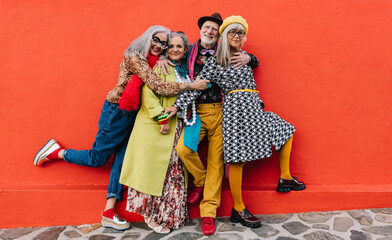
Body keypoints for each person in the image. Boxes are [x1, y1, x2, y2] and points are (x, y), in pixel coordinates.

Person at [33, 26, 209, 231]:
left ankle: (109, 210)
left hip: (133, 115)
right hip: (117, 112)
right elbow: (157, 86)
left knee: (122, 160)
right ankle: (57, 152)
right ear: (147, 38)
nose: (159, 46)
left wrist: (163, 58)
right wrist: (190, 86)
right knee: (98, 158)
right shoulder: (136, 58)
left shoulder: (157, 61)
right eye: (157, 40)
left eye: (163, 43)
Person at [170, 15, 305, 229]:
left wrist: (249, 59)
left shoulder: (244, 56)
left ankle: (285, 177)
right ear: (224, 35)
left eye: (240, 32)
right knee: (236, 159)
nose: (236, 36)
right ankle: (238, 208)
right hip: (233, 111)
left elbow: (254, 62)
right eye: (232, 32)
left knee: (285, 129)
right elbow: (198, 85)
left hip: (252, 107)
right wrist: (176, 106)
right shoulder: (215, 61)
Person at [160, 12, 259, 236]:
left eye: (215, 29)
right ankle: (201, 180)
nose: (210, 31)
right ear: (201, 29)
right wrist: (163, 57)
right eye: (207, 27)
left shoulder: (227, 52)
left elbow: (247, 57)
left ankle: (208, 213)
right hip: (196, 112)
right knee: (184, 149)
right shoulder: (189, 53)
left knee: (217, 163)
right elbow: (174, 55)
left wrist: (250, 58)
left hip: (224, 113)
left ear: (219, 33)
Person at [119, 31, 192, 234]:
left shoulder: (185, 70)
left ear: (185, 49)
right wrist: (161, 118)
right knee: (152, 173)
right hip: (157, 127)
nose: (175, 50)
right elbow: (147, 94)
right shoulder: (160, 67)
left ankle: (169, 215)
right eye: (171, 46)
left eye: (179, 46)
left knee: (171, 175)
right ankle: (151, 216)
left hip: (177, 128)